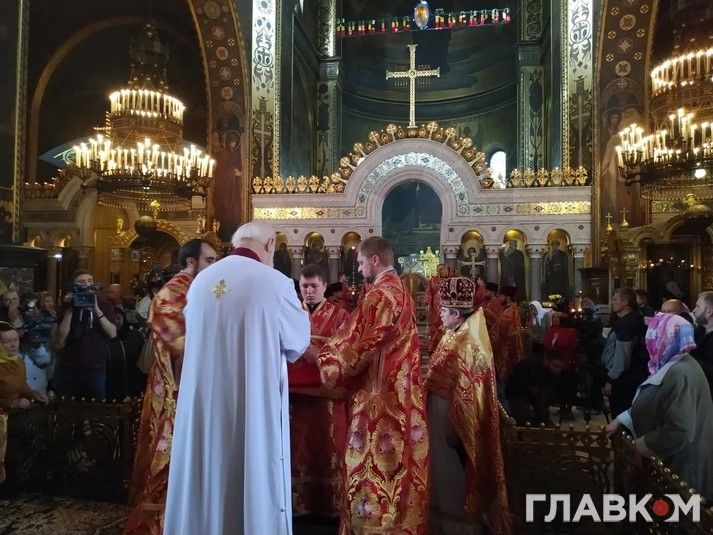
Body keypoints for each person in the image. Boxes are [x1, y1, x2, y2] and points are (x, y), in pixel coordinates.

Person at [164, 221, 310, 535]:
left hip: (202, 403)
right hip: (250, 402)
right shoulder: (276, 283)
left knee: (206, 474)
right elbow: (298, 341)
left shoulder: (201, 282)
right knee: (251, 470)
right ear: (270, 245)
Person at [313, 236, 430, 535]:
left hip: (378, 403)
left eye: (361, 262)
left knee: (374, 472)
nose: (359, 268)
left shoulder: (380, 295)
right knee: (398, 469)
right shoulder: (400, 289)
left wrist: (326, 358)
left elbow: (356, 347)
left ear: (375, 260)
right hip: (400, 395)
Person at [124, 239, 217, 535]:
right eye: (210, 260)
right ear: (191, 262)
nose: (214, 266)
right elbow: (183, 345)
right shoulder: (169, 295)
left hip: (201, 390)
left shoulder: (204, 288)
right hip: (176, 393)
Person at [424, 276, 510, 535]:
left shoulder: (470, 343)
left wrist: (454, 426)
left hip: (453, 425)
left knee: (454, 476)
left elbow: (469, 393)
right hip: (438, 418)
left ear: (456, 313)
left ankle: (460, 528)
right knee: (440, 475)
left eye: (443, 310)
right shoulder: (454, 334)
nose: (439, 313)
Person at [605, 314, 713, 501]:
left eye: (655, 336)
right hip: (672, 467)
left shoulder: (680, 372)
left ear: (667, 339)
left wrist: (641, 447)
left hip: (680, 473)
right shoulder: (674, 362)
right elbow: (656, 401)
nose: (649, 342)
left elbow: (679, 430)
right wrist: (622, 419)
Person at [289, 263, 350, 519]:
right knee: (297, 447)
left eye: (314, 286)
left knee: (331, 445)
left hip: (328, 395)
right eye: (304, 286)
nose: (309, 291)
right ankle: (299, 504)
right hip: (296, 397)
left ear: (325, 286)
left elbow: (347, 352)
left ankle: (330, 504)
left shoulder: (340, 316)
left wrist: (319, 355)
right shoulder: (291, 313)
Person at [54, 270, 116, 400]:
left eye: (90, 281)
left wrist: (97, 310)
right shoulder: (67, 306)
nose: (87, 285)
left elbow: (112, 333)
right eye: (82, 282)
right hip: (69, 367)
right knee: (67, 407)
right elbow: (60, 339)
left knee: (96, 407)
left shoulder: (105, 305)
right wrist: (69, 310)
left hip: (95, 366)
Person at [0, 323, 50, 483]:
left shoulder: (18, 362)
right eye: (7, 341)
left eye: (15, 340)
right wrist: (12, 403)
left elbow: (21, 386)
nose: (13, 345)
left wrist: (34, 394)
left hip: (14, 419)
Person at [601, 288, 647, 416]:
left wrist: (610, 380)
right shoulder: (630, 319)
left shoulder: (626, 323)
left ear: (625, 302)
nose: (612, 302)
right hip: (629, 377)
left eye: (615, 299)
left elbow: (622, 356)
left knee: (620, 415)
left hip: (623, 380)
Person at [506, 350, 577, 427]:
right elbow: (534, 390)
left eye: (560, 367)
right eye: (556, 366)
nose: (558, 370)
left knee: (543, 413)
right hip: (516, 393)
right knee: (524, 420)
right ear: (547, 362)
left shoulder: (547, 370)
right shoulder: (534, 367)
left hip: (529, 392)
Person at [106, 308, 146, 401]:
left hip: (133, 380)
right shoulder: (104, 339)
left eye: (118, 318)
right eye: (112, 318)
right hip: (113, 383)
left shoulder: (134, 336)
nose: (115, 321)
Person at [490, 285, 525, 385]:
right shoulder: (508, 309)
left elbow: (500, 329)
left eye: (501, 296)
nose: (499, 298)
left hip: (508, 349)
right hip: (503, 347)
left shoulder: (510, 312)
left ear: (508, 297)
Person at [211, 130, 243, 242]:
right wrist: (233, 173)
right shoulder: (223, 153)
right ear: (228, 141)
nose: (234, 143)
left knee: (234, 208)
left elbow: (239, 166)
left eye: (235, 141)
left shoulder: (236, 154)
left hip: (234, 187)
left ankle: (232, 232)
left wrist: (239, 173)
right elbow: (222, 169)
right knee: (224, 209)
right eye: (232, 141)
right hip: (224, 186)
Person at [691, 291, 713, 397]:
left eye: (698, 306)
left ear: (709, 311)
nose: (694, 310)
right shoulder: (697, 331)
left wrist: (687, 360)